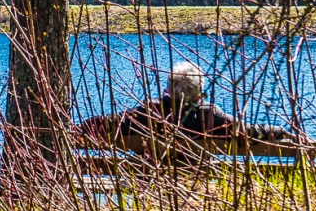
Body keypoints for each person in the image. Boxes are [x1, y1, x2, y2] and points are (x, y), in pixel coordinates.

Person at [77, 61, 297, 147]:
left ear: (170, 88)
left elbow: (107, 123)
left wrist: (74, 132)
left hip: (152, 184)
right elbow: (248, 131)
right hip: (195, 186)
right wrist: (282, 131)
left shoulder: (151, 111)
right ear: (198, 89)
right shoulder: (211, 115)